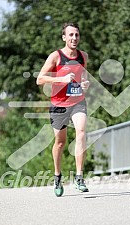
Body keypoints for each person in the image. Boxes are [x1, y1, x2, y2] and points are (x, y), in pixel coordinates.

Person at [37, 22, 89, 196]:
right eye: (71, 35)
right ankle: (58, 176)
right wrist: (62, 79)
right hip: (59, 104)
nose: (74, 38)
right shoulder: (56, 56)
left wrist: (84, 83)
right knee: (60, 142)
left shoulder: (83, 56)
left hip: (78, 101)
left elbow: (83, 76)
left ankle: (79, 177)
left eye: (77, 35)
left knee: (81, 131)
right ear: (64, 37)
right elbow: (40, 79)